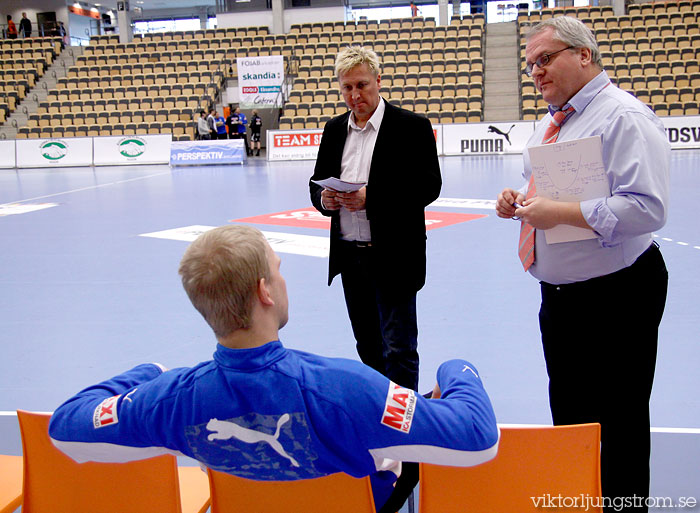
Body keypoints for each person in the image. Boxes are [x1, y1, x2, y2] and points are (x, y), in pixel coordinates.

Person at [48, 225, 499, 513]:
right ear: (265, 291)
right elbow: (476, 438)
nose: (283, 280)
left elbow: (66, 425)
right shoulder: (347, 389)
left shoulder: (171, 400)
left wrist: (145, 372)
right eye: (278, 271)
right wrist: (457, 368)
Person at [495, 16, 669, 513]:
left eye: (545, 60)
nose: (536, 73)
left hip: (617, 295)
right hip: (563, 298)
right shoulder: (555, 120)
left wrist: (564, 214)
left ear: (584, 55)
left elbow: (648, 207)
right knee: (570, 418)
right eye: (531, 66)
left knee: (619, 424)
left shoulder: (623, 118)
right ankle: (579, 503)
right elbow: (545, 184)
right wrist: (519, 199)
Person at [309, 46, 441, 509]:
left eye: (361, 85)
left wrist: (371, 197)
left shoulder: (411, 127)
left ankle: (406, 446)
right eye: (346, 87)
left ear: (378, 82)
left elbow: (428, 186)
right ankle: (377, 430)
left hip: (395, 257)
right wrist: (324, 200)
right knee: (368, 350)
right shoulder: (332, 130)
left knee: (399, 351)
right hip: (352, 259)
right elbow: (317, 183)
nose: (354, 95)